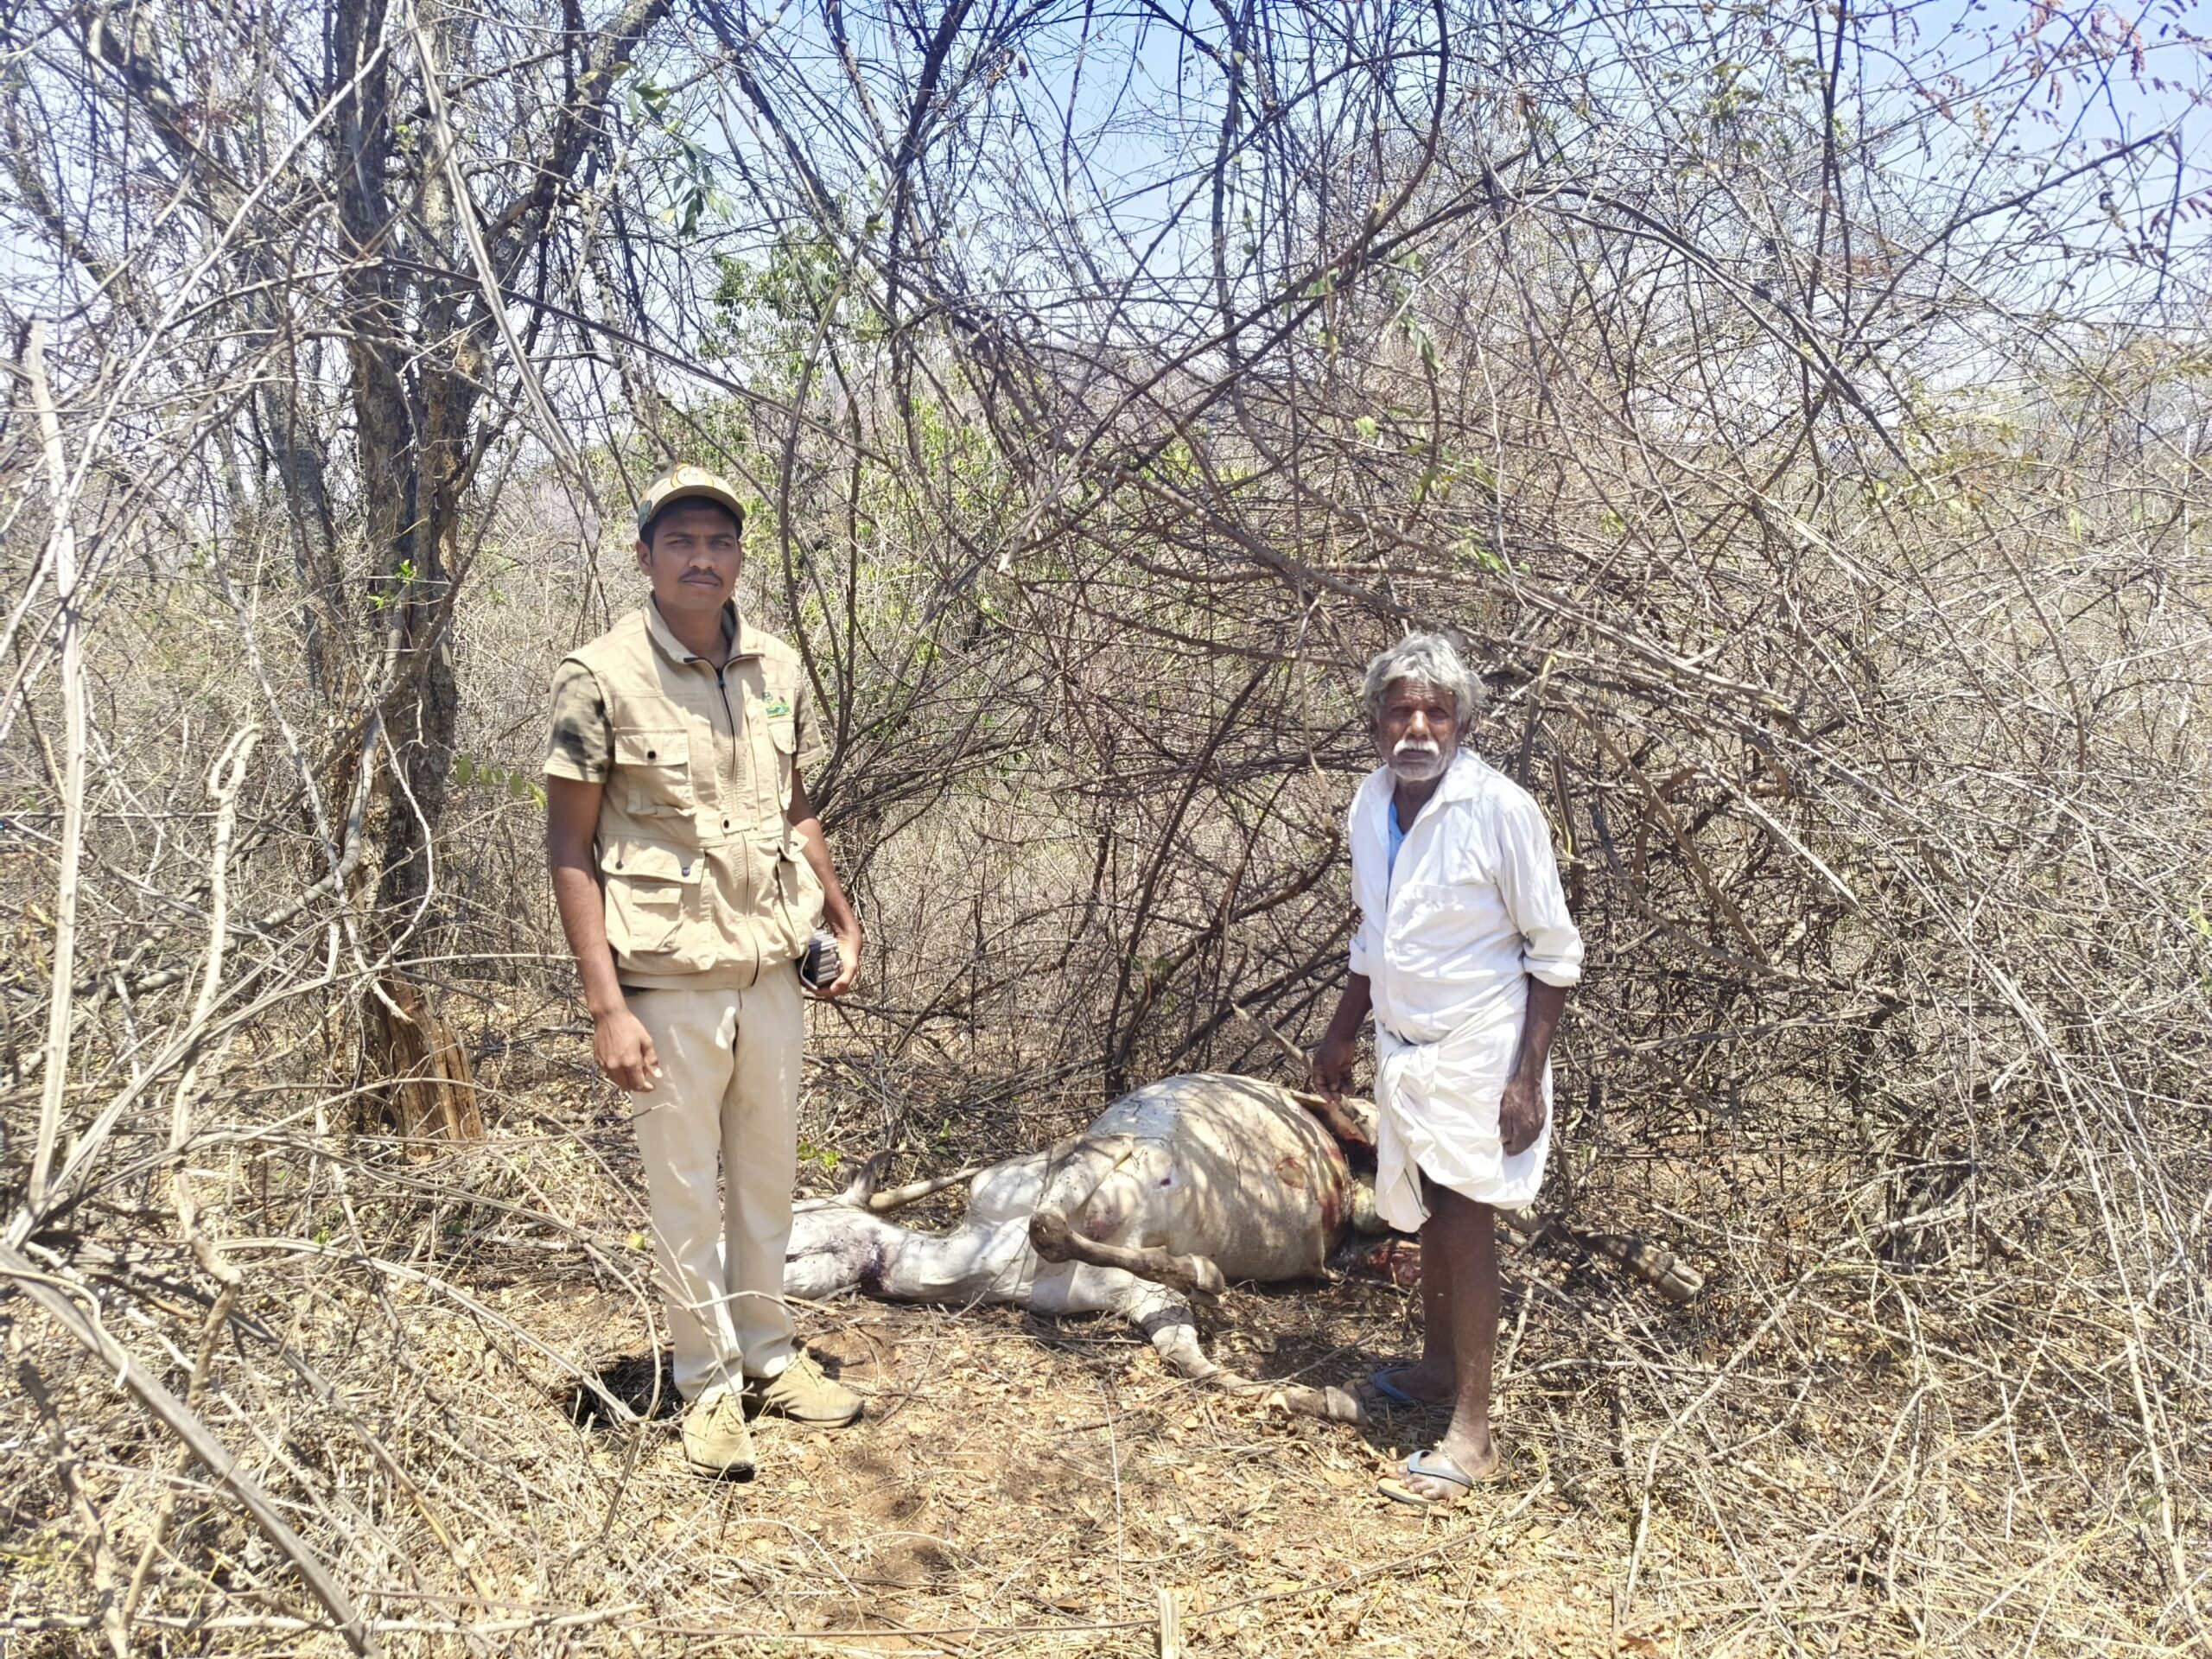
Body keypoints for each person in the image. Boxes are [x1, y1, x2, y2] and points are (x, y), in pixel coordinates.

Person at [543, 464, 867, 1478]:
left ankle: (770, 1358)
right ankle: (705, 1384)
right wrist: (606, 1007)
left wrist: (843, 921)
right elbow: (568, 847)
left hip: (770, 970)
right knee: (683, 1194)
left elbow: (795, 805)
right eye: (679, 540)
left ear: (738, 558)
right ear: (645, 557)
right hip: (667, 983)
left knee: (768, 1181)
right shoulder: (598, 676)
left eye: (719, 542)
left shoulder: (776, 666)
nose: (701, 558)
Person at [1310, 632, 1583, 1507]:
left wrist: (1525, 1077)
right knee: (1425, 1206)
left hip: (1480, 1046)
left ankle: (1472, 1437)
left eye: (1435, 710)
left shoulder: (1500, 810)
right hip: (1405, 1045)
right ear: (1373, 724)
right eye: (1401, 710)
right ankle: (1432, 1373)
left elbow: (1553, 953)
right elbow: (1373, 936)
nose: (1418, 727)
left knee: (1465, 1223)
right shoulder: (1367, 804)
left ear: (1462, 720)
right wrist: (1340, 1030)